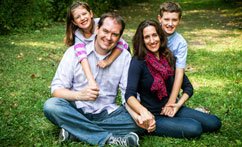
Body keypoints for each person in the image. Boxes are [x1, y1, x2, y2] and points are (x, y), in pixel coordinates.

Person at [43, 12, 143, 147]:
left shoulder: (124, 56)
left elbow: (128, 93)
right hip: (76, 109)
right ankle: (109, 139)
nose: (108, 37)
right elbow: (56, 90)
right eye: (105, 31)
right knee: (51, 106)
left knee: (139, 123)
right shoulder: (74, 52)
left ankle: (75, 130)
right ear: (97, 29)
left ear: (120, 37)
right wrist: (79, 95)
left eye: (114, 34)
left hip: (107, 113)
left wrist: (138, 115)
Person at [125, 20, 221, 138]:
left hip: (173, 108)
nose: (152, 40)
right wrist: (144, 113)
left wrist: (177, 105)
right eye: (147, 37)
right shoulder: (138, 61)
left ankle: (181, 118)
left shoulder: (168, 57)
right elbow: (129, 95)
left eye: (154, 35)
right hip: (155, 115)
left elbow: (188, 87)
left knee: (214, 123)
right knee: (194, 128)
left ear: (160, 35)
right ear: (142, 40)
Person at [64, 1, 129, 88]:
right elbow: (82, 57)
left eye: (84, 14)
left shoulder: (101, 23)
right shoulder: (78, 36)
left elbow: (121, 43)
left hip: (119, 51)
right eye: (78, 17)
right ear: (74, 22)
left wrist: (108, 61)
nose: (82, 18)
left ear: (91, 13)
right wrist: (90, 79)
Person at [157, 2, 188, 117]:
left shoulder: (181, 43)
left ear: (179, 20)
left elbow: (179, 72)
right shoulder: (152, 34)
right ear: (160, 19)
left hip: (169, 78)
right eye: (166, 19)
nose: (170, 24)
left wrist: (171, 101)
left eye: (174, 20)